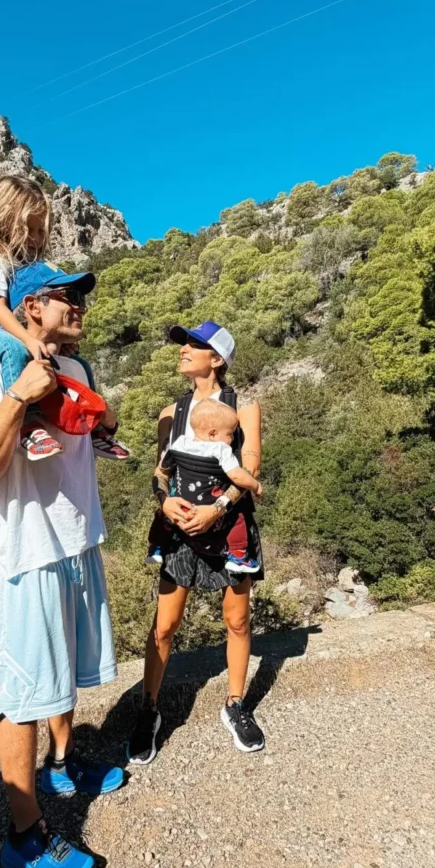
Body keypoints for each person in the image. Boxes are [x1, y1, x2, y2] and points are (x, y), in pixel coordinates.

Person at [0, 259, 123, 868]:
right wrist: (18, 397)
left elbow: (99, 432)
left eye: (81, 295)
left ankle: (62, 764)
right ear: (29, 308)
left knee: (65, 673)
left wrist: (103, 415)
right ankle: (24, 837)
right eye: (64, 296)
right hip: (28, 557)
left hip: (78, 544)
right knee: (22, 698)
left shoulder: (78, 369)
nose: (78, 305)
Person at [127, 320, 266, 765]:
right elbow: (160, 470)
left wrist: (217, 509)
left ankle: (235, 704)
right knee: (165, 624)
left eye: (195, 344)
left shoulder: (244, 408)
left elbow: (249, 470)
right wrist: (165, 502)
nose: (183, 350)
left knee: (237, 620)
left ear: (217, 358)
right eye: (183, 344)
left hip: (228, 528)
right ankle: (149, 709)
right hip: (180, 529)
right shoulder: (170, 412)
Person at [0, 173, 127, 461]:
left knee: (79, 364)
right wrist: (27, 339)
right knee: (14, 350)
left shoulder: (23, 262)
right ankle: (27, 423)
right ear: (6, 223)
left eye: (41, 231)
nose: (37, 239)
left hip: (9, 323)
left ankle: (95, 427)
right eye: (30, 230)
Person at [146, 398, 263, 574]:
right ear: (213, 434)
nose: (232, 439)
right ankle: (237, 556)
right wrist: (256, 486)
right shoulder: (221, 450)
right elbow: (238, 475)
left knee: (162, 517)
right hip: (211, 507)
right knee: (237, 519)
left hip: (182, 507)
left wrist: (165, 501)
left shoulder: (180, 443)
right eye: (230, 434)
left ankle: (156, 547)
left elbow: (162, 469)